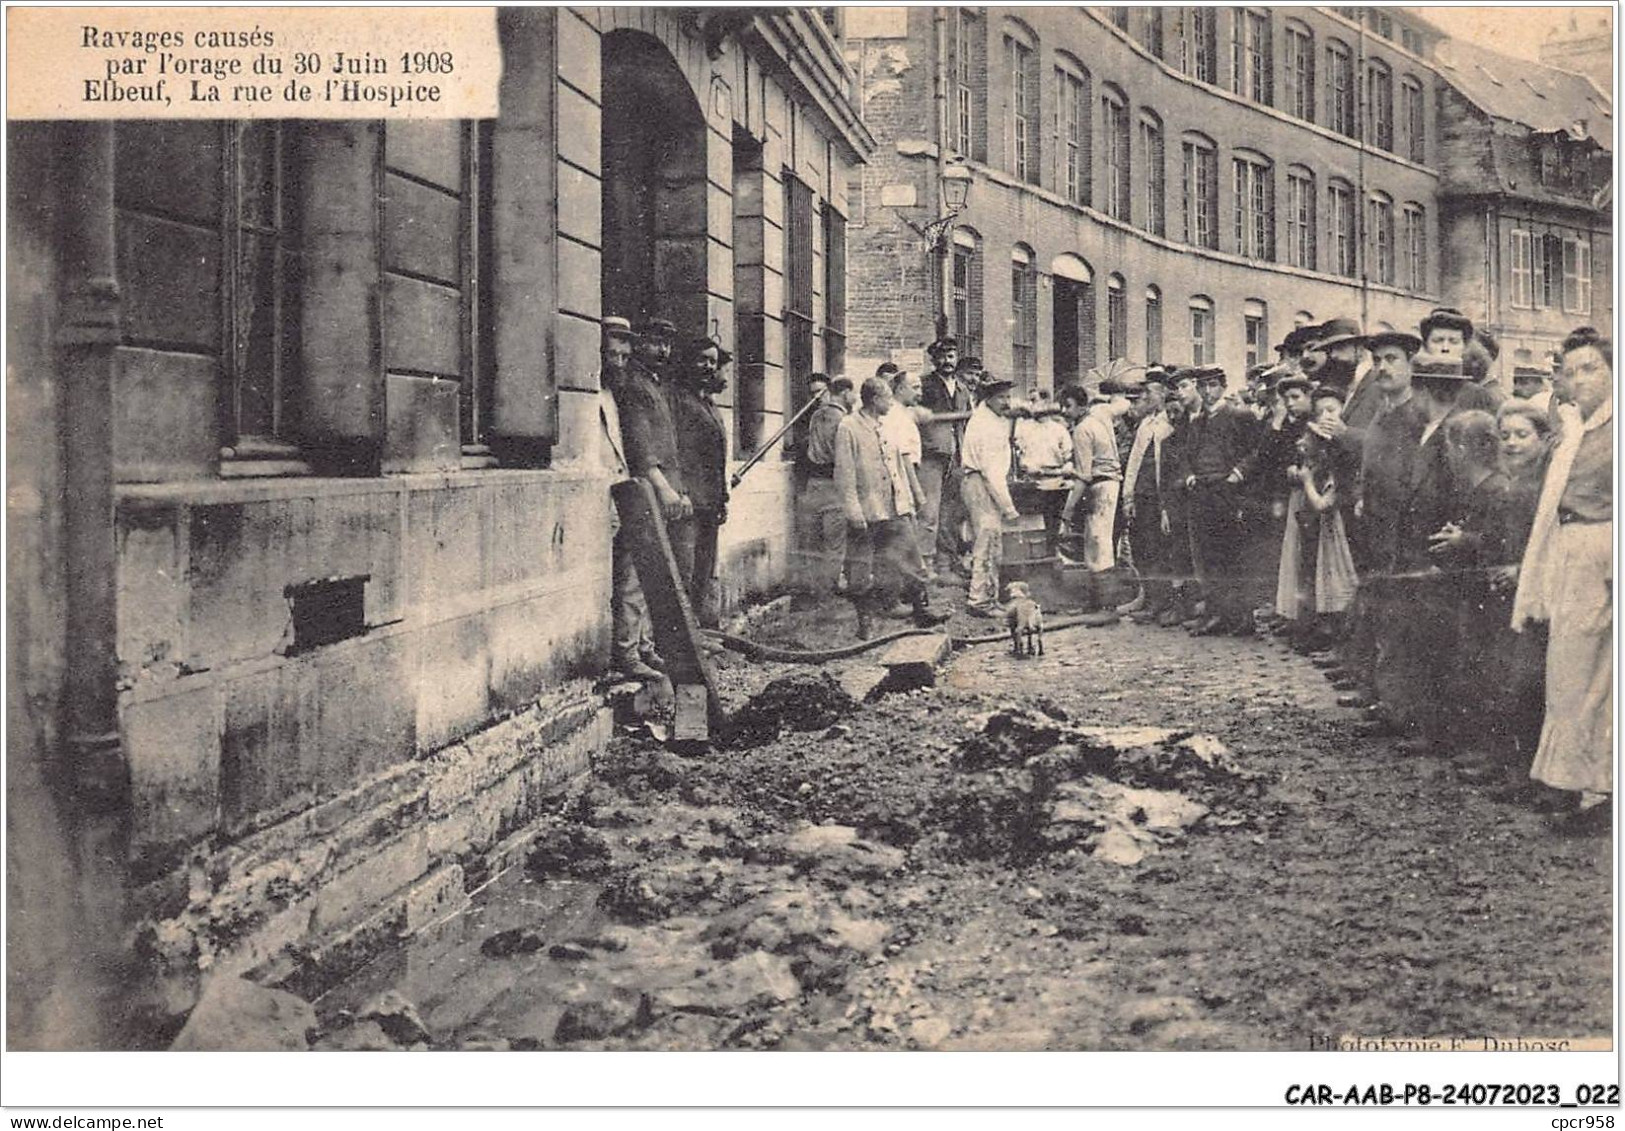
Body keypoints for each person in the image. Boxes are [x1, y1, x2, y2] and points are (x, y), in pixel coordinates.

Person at [1511, 327, 1613, 835]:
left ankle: (1600, 793)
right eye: (1571, 372)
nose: (1580, 380)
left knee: (1604, 676)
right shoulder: (1574, 429)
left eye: (1590, 368)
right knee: (1569, 672)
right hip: (1569, 552)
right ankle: (1571, 781)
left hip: (1607, 553)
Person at [834, 376, 949, 639]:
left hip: (894, 506)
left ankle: (922, 610)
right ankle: (866, 621)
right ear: (875, 400)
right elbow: (844, 473)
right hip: (867, 509)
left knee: (910, 555)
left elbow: (899, 464)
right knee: (861, 567)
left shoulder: (886, 426)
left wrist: (911, 499)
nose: (891, 403)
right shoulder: (849, 427)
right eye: (887, 398)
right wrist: (853, 511)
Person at [597, 316, 664, 682]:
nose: (619, 361)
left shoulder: (616, 394)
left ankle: (636, 649)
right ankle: (621, 656)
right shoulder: (588, 394)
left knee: (634, 576)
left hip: (623, 494)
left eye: (625, 354)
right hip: (601, 499)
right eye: (612, 354)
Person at [1176, 366, 1261, 635]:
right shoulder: (1196, 422)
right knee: (1206, 555)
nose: (1208, 392)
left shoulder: (1240, 416)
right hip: (1202, 492)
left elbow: (1257, 451)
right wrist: (1189, 475)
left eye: (1213, 385)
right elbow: (1186, 455)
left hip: (1228, 491)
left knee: (1232, 554)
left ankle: (1241, 617)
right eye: (1203, 387)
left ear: (1223, 386)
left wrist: (1239, 472)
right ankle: (1215, 613)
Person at [1276, 389, 1359, 651]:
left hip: (1332, 527)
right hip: (1313, 526)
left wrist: (1308, 481)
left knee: (1331, 577)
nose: (1326, 416)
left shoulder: (1339, 459)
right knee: (1310, 572)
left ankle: (1329, 632)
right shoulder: (1316, 455)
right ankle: (1311, 626)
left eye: (1331, 410)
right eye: (1320, 411)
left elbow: (1325, 502)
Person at [619, 318, 693, 587]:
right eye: (656, 343)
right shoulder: (635, 385)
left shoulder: (657, 385)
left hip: (670, 491)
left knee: (670, 573)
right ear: (640, 344)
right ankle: (637, 632)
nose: (663, 351)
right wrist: (664, 488)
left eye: (667, 344)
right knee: (639, 578)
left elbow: (672, 446)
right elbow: (641, 446)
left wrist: (681, 491)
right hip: (650, 491)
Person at [669, 336, 731, 628]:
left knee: (703, 572)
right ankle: (682, 638)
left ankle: (698, 631)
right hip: (689, 503)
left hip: (710, 503)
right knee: (686, 570)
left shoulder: (708, 404)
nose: (707, 366)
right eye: (702, 359)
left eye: (712, 361)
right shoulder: (678, 400)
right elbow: (674, 453)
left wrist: (722, 497)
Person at [1061, 384, 1131, 619]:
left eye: (1068, 406)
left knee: (1099, 544)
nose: (1064, 411)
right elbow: (1123, 404)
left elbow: (1084, 476)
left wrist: (1067, 512)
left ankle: (1108, 607)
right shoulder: (1101, 413)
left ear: (1081, 405)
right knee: (1096, 543)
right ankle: (1095, 603)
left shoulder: (1081, 430)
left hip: (1100, 486)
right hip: (1112, 484)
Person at [959, 374, 1022, 617]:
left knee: (991, 541)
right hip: (980, 483)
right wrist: (1008, 508)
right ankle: (979, 601)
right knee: (987, 540)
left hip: (982, 481)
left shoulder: (994, 418)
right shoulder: (985, 425)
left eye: (1008, 397)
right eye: (1001, 398)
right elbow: (992, 473)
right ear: (989, 399)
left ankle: (989, 596)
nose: (1006, 402)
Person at [1122, 368, 1178, 624]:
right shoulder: (1146, 423)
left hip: (1161, 496)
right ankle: (1151, 599)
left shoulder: (1172, 421)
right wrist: (1128, 496)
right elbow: (1134, 461)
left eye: (1152, 391)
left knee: (1161, 550)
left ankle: (1164, 603)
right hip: (1142, 495)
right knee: (1142, 547)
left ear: (1165, 392)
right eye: (1146, 392)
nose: (1148, 396)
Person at [918, 337, 975, 578]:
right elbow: (923, 418)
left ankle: (945, 564)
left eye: (951, 356)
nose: (946, 361)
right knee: (929, 513)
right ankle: (924, 565)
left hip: (957, 455)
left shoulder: (962, 388)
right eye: (941, 356)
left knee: (951, 513)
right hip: (932, 455)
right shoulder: (924, 385)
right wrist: (959, 416)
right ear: (934, 359)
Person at [799, 374, 853, 594]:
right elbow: (843, 458)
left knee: (813, 542)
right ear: (846, 393)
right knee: (834, 543)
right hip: (833, 485)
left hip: (814, 484)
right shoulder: (844, 420)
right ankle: (827, 591)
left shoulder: (815, 417)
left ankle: (814, 589)